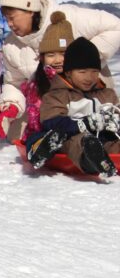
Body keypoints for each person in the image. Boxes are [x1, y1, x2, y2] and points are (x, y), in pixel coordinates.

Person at [0, 0, 120, 142]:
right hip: (51, 110)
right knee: (22, 138)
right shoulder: (11, 45)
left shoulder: (68, 17)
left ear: (30, 10)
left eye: (12, 18)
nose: (9, 24)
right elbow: (13, 82)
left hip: (92, 97)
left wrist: (85, 59)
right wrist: (11, 106)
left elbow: (115, 26)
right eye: (5, 18)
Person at [27, 37, 120, 176]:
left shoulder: (107, 94)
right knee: (76, 141)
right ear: (69, 72)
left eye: (94, 72)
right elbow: (51, 122)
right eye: (82, 72)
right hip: (71, 141)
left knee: (113, 143)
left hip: (106, 141)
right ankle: (90, 159)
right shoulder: (57, 95)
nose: (89, 77)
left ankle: (101, 158)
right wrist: (85, 123)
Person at [4, 11, 72, 144]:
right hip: (45, 133)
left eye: (63, 54)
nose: (58, 60)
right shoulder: (39, 82)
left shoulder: (81, 78)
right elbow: (35, 116)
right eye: (51, 55)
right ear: (42, 58)